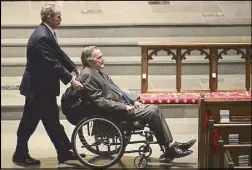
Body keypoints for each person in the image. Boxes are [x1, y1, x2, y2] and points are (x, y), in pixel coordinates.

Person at [77, 46, 196, 160]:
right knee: (153, 111)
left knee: (154, 109)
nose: (103, 59)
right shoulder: (88, 74)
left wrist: (133, 101)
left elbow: (117, 91)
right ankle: (169, 147)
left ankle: (170, 145)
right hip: (115, 112)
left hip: (121, 107)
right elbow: (100, 102)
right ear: (90, 61)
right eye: (99, 58)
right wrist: (124, 106)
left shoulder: (96, 72)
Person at [12, 3, 84, 166]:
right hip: (37, 89)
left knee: (51, 121)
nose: (61, 19)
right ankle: (20, 155)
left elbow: (59, 54)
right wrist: (71, 80)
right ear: (48, 18)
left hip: (44, 88)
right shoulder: (41, 36)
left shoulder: (47, 33)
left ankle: (64, 152)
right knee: (29, 123)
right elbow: (53, 64)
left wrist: (75, 68)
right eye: (58, 16)